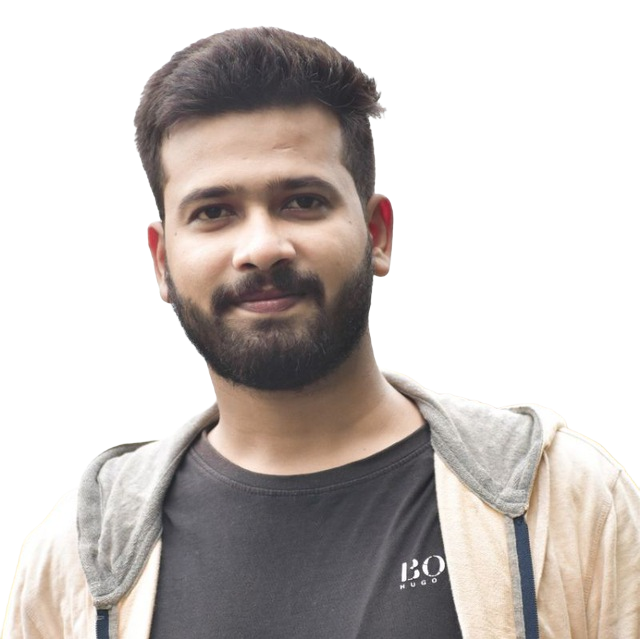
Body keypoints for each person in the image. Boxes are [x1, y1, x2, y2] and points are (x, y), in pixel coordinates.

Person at [3, 26, 639, 639]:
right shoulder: (73, 557)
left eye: (302, 201)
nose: (262, 247)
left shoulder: (570, 500)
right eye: (214, 212)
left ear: (378, 234)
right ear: (162, 261)